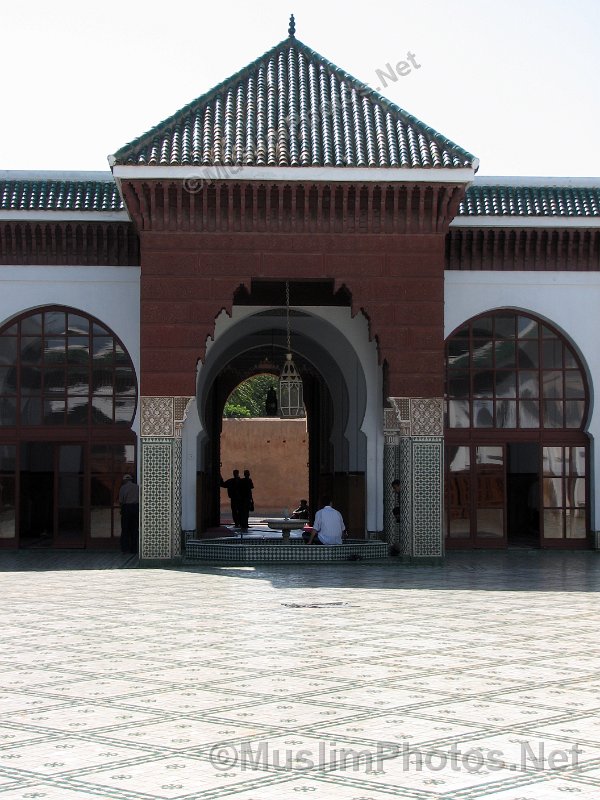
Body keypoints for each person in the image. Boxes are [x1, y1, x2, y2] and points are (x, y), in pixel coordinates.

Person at [119, 474, 139, 554]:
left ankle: (125, 548)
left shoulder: (123, 488)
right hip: (135, 508)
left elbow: (121, 500)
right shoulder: (137, 487)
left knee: (125, 529)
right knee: (134, 529)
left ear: (124, 480)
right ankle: (134, 549)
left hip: (126, 508)